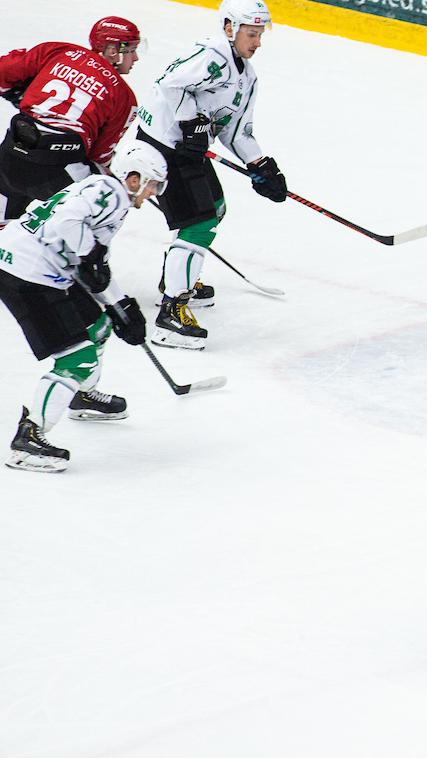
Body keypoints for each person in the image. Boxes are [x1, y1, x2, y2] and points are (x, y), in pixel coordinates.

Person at [0, 143, 167, 472]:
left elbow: (94, 266)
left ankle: (80, 394)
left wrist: (122, 307)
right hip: (26, 273)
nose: (152, 194)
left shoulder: (106, 193)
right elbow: (67, 222)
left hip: (39, 266)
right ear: (133, 178)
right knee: (78, 358)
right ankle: (28, 439)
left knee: (99, 326)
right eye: (152, 185)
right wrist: (90, 257)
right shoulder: (110, 190)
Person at [135, 0, 286, 350]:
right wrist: (190, 123)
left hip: (188, 150)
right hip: (164, 146)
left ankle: (175, 280)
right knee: (199, 222)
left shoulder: (247, 77)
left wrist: (260, 164)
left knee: (214, 208)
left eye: (260, 34)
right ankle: (172, 314)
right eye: (252, 33)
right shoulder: (211, 55)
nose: (258, 42)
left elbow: (236, 132)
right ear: (230, 28)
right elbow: (169, 84)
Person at [0, 17, 141, 220]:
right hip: (60, 173)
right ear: (113, 50)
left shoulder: (58, 51)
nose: (135, 58)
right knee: (105, 204)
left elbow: (4, 71)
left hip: (11, 155)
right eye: (132, 50)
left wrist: (13, 91)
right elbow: (99, 156)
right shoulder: (124, 97)